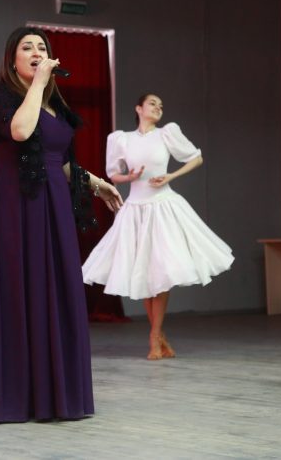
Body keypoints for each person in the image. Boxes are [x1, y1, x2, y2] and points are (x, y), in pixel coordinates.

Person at [0, 27, 123, 423]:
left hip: (52, 203)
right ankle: (7, 395)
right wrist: (39, 83)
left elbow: (59, 162)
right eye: (27, 47)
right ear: (12, 60)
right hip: (9, 200)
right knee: (11, 289)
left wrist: (96, 183)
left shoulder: (55, 105)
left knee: (53, 289)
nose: (36, 52)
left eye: (42, 47)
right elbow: (21, 131)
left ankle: (52, 394)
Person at [82, 93, 234, 360]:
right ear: (138, 108)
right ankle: (158, 334)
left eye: (161, 105)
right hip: (135, 210)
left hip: (163, 206)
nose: (158, 108)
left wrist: (171, 175)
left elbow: (196, 157)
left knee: (162, 272)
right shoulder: (121, 139)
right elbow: (112, 174)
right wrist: (130, 176)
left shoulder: (166, 133)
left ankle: (154, 335)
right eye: (153, 103)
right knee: (144, 272)